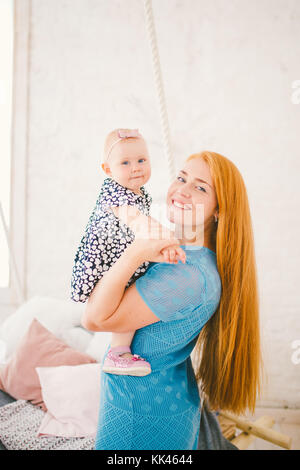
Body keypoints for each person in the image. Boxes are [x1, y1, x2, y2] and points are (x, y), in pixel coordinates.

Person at [81, 151, 262, 450]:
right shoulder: (180, 253)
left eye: (200, 187)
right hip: (154, 401)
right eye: (181, 178)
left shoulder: (188, 276)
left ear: (219, 210)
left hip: (142, 414)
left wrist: (137, 251)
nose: (182, 190)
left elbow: (94, 319)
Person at [71, 128, 184, 376]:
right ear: (108, 170)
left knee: (127, 294)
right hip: (104, 263)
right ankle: (117, 353)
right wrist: (169, 241)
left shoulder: (135, 190)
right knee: (120, 298)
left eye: (142, 160)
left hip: (117, 254)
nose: (136, 167)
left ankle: (119, 351)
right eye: (125, 162)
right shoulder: (117, 194)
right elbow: (140, 224)